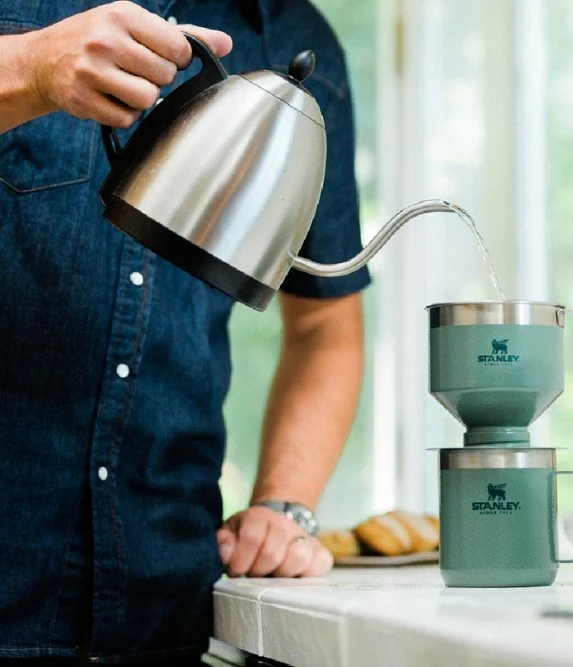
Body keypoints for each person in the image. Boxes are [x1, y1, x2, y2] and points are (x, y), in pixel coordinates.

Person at [0, 1, 370, 664]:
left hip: (164, 605)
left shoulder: (297, 40)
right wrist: (30, 67)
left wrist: (284, 507)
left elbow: (325, 327)